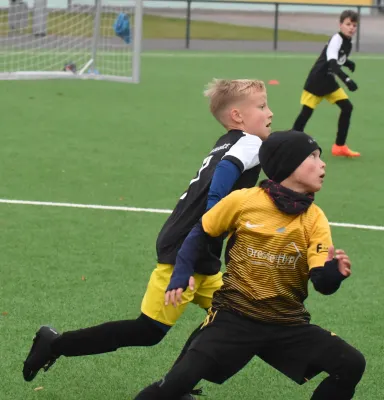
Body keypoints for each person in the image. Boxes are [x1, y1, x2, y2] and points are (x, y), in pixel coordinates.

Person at [22, 79, 274, 398]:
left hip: (195, 247)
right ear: (237, 116)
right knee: (149, 330)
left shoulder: (230, 140)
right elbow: (226, 174)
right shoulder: (250, 143)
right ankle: (55, 344)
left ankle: (176, 384)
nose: (270, 112)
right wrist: (216, 215)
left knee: (232, 315)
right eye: (262, 106)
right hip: (187, 246)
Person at [135, 130, 366, 400]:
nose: (322, 163)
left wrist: (333, 274)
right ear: (288, 165)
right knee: (178, 382)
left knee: (350, 364)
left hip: (286, 323)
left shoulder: (315, 218)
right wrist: (181, 273)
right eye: (313, 157)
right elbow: (201, 231)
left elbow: (322, 283)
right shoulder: (244, 200)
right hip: (234, 316)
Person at [293, 10, 360, 157]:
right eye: (348, 24)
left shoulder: (348, 41)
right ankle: (290, 144)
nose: (351, 28)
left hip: (329, 82)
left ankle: (339, 146)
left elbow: (337, 57)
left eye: (354, 25)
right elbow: (332, 63)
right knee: (306, 113)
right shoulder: (337, 38)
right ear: (340, 24)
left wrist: (348, 62)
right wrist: (347, 79)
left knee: (347, 107)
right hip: (317, 81)